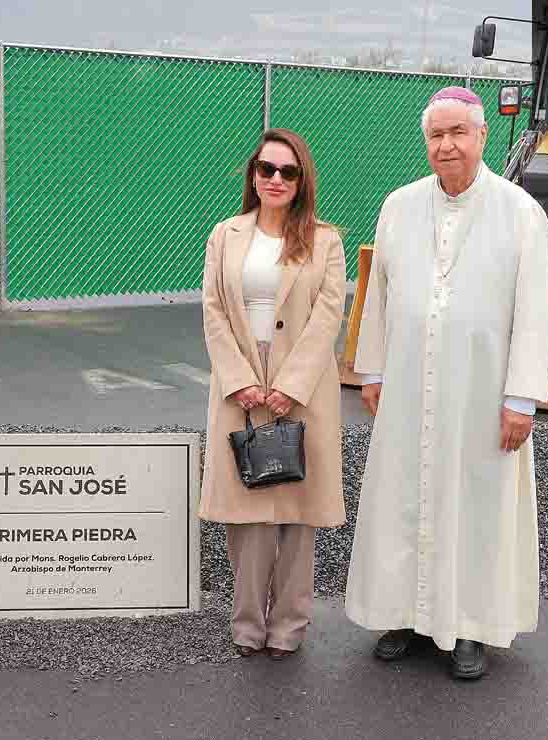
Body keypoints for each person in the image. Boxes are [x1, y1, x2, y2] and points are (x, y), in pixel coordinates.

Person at [343, 86, 548, 680]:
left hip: (482, 392)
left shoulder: (519, 212)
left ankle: (469, 627)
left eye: (458, 132)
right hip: (408, 383)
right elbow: (378, 296)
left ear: (482, 137)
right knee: (401, 495)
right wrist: (374, 369)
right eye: (436, 135)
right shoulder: (399, 206)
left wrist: (521, 398)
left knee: (476, 502)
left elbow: (536, 310)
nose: (446, 145)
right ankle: (402, 615)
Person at [198, 128, 347, 661]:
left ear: (302, 178)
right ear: (253, 175)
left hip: (301, 385)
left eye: (287, 171)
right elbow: (213, 309)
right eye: (267, 169)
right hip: (240, 382)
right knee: (249, 511)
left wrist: (290, 385)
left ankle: (289, 625)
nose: (276, 179)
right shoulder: (225, 234)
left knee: (297, 513)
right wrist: (239, 378)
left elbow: (329, 313)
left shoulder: (325, 239)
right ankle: (246, 623)